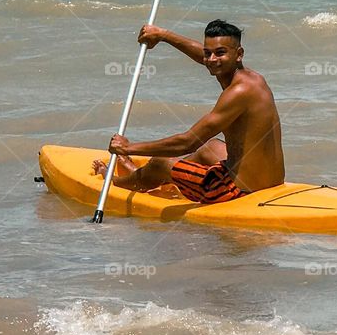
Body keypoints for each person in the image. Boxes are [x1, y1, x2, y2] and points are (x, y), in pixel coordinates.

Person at [92, 19, 285, 203]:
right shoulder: (253, 80)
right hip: (271, 182)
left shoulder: (238, 92)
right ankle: (147, 176)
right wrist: (163, 35)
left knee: (160, 161)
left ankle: (119, 182)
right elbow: (208, 58)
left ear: (239, 54)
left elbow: (188, 142)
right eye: (208, 53)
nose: (212, 59)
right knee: (210, 148)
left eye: (220, 53)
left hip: (236, 190)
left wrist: (128, 147)